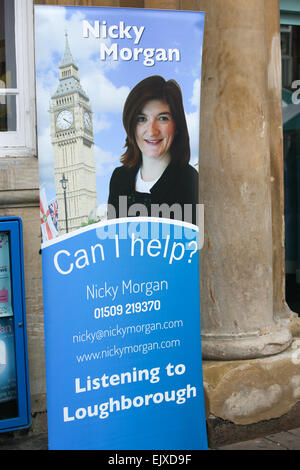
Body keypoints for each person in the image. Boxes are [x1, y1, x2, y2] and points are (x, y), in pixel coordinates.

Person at [108, 75, 198, 224]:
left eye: (163, 118)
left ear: (176, 126)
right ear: (131, 126)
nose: (152, 131)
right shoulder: (119, 179)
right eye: (142, 119)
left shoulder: (189, 181)